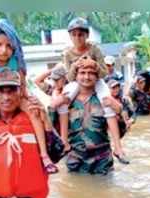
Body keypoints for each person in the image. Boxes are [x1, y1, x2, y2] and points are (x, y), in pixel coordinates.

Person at [0, 19, 57, 193]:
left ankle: (44, 156)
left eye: (9, 46)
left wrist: (32, 102)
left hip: (17, 95)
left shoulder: (17, 62)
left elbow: (23, 87)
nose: (4, 50)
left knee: (34, 112)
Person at [52, 17, 127, 160]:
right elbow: (69, 77)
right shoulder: (68, 54)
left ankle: (117, 147)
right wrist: (76, 66)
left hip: (97, 81)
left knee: (108, 104)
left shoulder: (94, 49)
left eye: (81, 34)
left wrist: (93, 65)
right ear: (70, 36)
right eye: (74, 34)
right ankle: (64, 142)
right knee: (62, 103)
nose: (77, 38)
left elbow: (104, 72)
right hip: (75, 83)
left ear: (87, 35)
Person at [65, 58, 130, 175]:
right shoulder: (67, 100)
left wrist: (119, 111)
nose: (86, 77)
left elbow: (121, 131)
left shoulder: (105, 100)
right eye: (82, 73)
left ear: (97, 77)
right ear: (76, 76)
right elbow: (54, 128)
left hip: (102, 160)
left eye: (91, 73)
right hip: (75, 159)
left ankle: (119, 150)